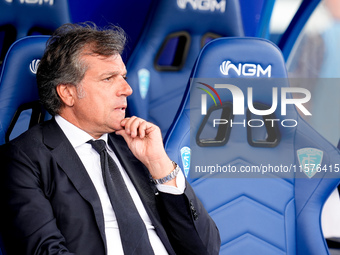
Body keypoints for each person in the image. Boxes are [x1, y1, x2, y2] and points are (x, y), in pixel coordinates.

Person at [0, 22, 220, 255]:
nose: (127, 89)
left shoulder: (137, 148)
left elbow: (205, 248)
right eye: (108, 78)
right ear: (68, 92)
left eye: (123, 77)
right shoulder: (23, 158)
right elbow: (44, 251)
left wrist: (159, 164)